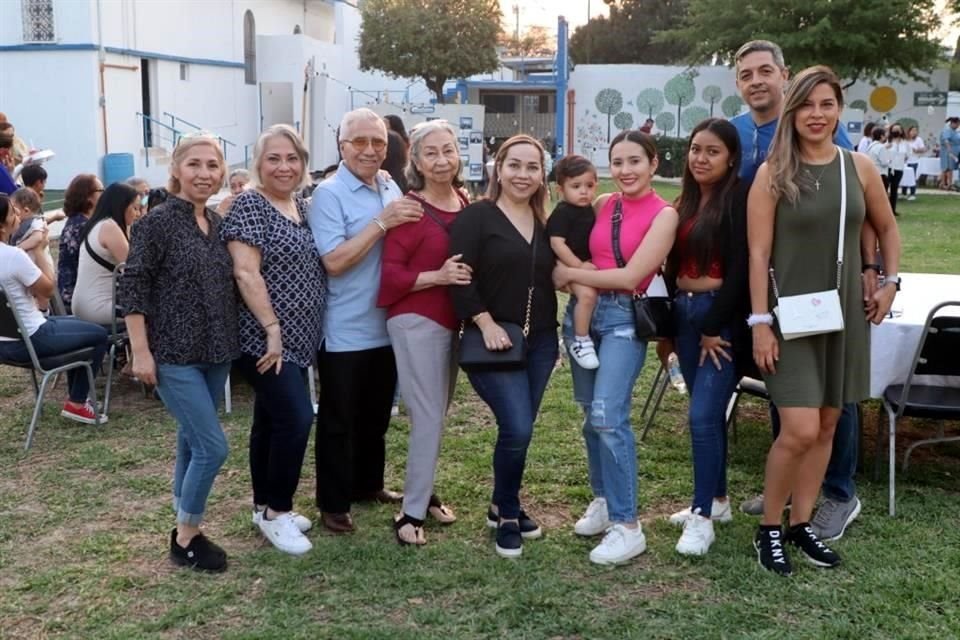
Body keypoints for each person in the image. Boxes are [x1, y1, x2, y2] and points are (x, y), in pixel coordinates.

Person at [747, 66, 901, 576]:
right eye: (807, 105)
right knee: (798, 428)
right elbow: (757, 253)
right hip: (788, 316)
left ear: (839, 110)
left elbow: (886, 228)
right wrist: (760, 322)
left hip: (842, 315)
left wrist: (888, 279)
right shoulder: (773, 174)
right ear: (792, 112)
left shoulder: (858, 166)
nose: (817, 115)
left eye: (826, 105)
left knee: (829, 423)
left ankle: (801, 524)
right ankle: (770, 529)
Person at [731, 40, 871, 542]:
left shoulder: (833, 140)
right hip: (768, 286)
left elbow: (860, 209)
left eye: (765, 71)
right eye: (747, 74)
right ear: (739, 84)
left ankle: (835, 492)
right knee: (793, 409)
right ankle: (784, 496)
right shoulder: (738, 132)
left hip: (823, 293)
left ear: (783, 76)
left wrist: (874, 269)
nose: (757, 80)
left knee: (831, 408)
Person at [552, 130, 678, 565]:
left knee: (609, 415)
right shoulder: (603, 204)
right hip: (583, 317)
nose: (625, 171)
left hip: (626, 317)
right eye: (617, 162)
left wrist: (575, 277)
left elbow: (631, 277)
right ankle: (603, 500)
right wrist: (564, 273)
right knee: (591, 417)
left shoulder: (664, 214)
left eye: (635, 161)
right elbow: (562, 256)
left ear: (653, 163)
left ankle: (628, 526)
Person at [121, 134, 239, 573]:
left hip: (217, 349)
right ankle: (186, 535)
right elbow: (133, 286)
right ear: (176, 169)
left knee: (192, 438)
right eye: (194, 165)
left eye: (212, 165)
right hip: (173, 354)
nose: (204, 173)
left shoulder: (217, 223)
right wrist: (141, 352)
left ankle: (181, 512)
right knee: (212, 447)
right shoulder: (157, 223)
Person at [306, 108, 421, 534]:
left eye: (378, 142)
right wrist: (381, 224)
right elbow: (333, 261)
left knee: (376, 414)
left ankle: (368, 483)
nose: (370, 150)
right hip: (346, 328)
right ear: (342, 147)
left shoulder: (389, 184)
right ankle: (333, 502)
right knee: (339, 420)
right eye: (360, 142)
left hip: (389, 324)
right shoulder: (329, 194)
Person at [449, 134, 557, 559]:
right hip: (491, 342)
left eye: (532, 167)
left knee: (519, 431)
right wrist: (485, 321)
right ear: (498, 167)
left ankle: (500, 501)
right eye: (514, 165)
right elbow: (459, 277)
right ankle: (509, 513)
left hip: (542, 341)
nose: (522, 175)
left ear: (542, 174)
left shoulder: (546, 222)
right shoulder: (477, 217)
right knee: (517, 427)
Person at [221, 124, 325, 556]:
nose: (284, 166)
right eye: (273, 158)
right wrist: (272, 328)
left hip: (299, 336)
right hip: (263, 337)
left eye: (292, 158)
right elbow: (246, 272)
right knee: (296, 417)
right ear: (259, 164)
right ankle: (277, 512)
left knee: (269, 417)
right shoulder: (250, 205)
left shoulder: (300, 204)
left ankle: (263, 504)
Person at [377, 119, 471, 545]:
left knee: (435, 415)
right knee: (428, 416)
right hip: (416, 320)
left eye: (448, 150)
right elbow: (390, 279)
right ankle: (410, 513)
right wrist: (438, 276)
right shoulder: (409, 209)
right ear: (415, 159)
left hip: (454, 323)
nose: (441, 160)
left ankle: (425, 492)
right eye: (430, 152)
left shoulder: (465, 201)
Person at [661, 118, 749, 556]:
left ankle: (701, 517)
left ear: (731, 157)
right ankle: (717, 502)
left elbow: (742, 271)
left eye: (712, 151)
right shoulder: (685, 202)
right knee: (707, 417)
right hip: (684, 316)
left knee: (701, 417)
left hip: (720, 322)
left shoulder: (738, 199)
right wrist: (669, 331)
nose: (700, 157)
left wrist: (714, 326)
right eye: (696, 149)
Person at [0, 194, 109, 424]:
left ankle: (77, 398)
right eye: (12, 211)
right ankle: (78, 402)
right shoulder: (13, 256)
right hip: (33, 339)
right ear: (3, 224)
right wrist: (40, 250)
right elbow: (48, 290)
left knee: (79, 324)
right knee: (100, 334)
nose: (18, 214)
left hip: (5, 345)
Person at [546, 154, 600, 369]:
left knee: (588, 299)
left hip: (584, 264)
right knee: (587, 296)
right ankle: (581, 340)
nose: (584, 191)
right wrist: (578, 266)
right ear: (561, 189)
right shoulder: (563, 212)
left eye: (589, 185)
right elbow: (557, 244)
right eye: (576, 186)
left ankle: (581, 332)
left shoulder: (588, 209)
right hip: (568, 264)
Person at [72, 183, 141, 326]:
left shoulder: (97, 224)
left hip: (83, 305)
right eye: (134, 208)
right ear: (121, 206)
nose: (138, 214)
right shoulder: (109, 227)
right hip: (99, 307)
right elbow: (135, 271)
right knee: (157, 311)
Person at [57, 174, 104, 312]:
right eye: (101, 190)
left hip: (78, 292)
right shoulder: (82, 226)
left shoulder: (79, 221)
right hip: (77, 298)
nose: (104, 194)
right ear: (87, 196)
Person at [884, 123, 909, 215]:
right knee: (885, 189)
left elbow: (908, 155)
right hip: (889, 167)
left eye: (898, 129)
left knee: (894, 189)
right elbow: (883, 152)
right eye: (895, 130)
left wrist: (903, 159)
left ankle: (892, 210)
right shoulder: (888, 141)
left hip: (899, 168)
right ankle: (883, 210)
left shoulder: (905, 143)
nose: (897, 132)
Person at [901, 126, 925, 201]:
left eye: (916, 131)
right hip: (904, 162)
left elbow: (923, 149)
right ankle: (904, 193)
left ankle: (912, 193)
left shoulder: (918, 140)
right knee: (904, 176)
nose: (914, 132)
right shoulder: (905, 140)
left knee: (912, 177)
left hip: (913, 161)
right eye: (913, 130)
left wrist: (916, 150)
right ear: (909, 131)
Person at [938, 117, 960, 190]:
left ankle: (950, 184)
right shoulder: (947, 130)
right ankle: (943, 184)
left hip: (955, 152)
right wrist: (950, 151)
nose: (958, 126)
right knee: (946, 168)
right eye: (957, 124)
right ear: (953, 123)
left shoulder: (955, 131)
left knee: (951, 168)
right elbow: (946, 141)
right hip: (947, 152)